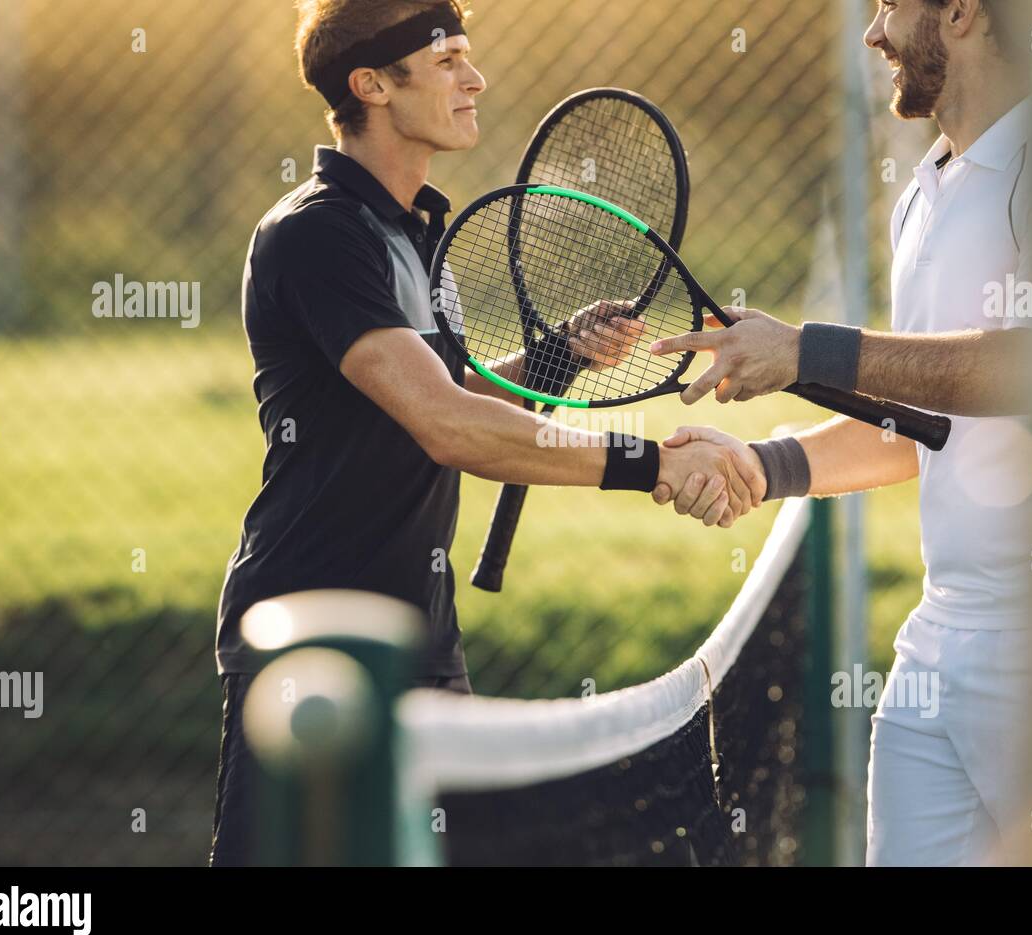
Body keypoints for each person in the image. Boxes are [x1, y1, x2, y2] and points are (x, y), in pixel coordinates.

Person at [650, 0, 1032, 865]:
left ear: (958, 12)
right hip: (946, 636)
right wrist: (764, 465)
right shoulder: (922, 197)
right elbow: (923, 428)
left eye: (887, 7)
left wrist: (805, 349)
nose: (873, 34)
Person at [209, 0, 756, 866]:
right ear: (372, 85)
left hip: (423, 635)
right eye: (449, 60)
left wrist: (557, 358)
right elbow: (450, 427)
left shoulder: (417, 231)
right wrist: (650, 465)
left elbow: (457, 388)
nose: (477, 79)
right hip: (313, 640)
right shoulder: (316, 234)